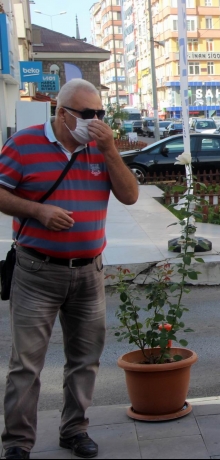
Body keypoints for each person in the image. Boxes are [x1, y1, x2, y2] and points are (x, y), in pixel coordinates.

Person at [0, 79, 139, 459]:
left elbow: (130, 195)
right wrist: (37, 210)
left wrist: (110, 150)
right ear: (62, 114)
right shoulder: (24, 144)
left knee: (85, 359)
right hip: (37, 271)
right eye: (87, 113)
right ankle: (17, 443)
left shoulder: (100, 149)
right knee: (26, 364)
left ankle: (74, 430)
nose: (96, 120)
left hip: (89, 272)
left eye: (100, 113)